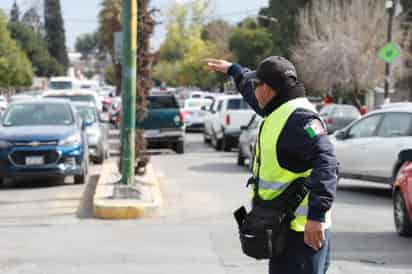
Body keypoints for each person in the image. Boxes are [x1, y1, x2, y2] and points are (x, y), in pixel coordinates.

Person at [207, 56, 338, 274]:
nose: (253, 89)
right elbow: (252, 95)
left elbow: (328, 162)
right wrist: (234, 70)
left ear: (268, 89)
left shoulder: (301, 120)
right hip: (285, 230)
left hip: (302, 235)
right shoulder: (280, 109)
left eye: (256, 84)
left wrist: (316, 216)